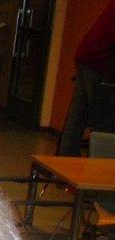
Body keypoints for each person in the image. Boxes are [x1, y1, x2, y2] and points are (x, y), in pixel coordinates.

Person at [58, 0, 115, 155]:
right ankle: (100, 167)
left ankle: (65, 162)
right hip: (100, 61)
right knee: (104, 123)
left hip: (87, 55)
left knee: (78, 116)